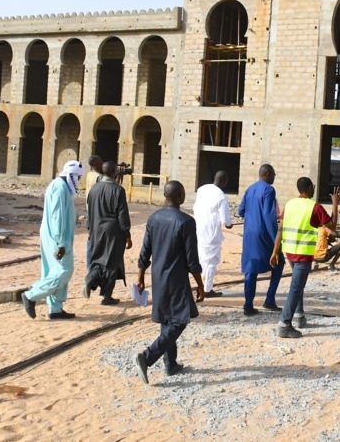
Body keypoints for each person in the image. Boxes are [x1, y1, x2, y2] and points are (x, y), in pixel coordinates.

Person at [133, 181, 205, 384]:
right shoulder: (186, 222)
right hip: (177, 279)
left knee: (167, 319)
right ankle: (146, 357)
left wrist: (140, 277)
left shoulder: (153, 218)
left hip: (158, 277)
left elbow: (144, 251)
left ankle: (170, 364)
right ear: (181, 195)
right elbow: (192, 260)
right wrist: (199, 284)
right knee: (179, 321)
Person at [271, 179, 340, 338]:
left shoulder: (289, 204)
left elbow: (280, 229)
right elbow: (332, 226)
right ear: (310, 188)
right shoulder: (315, 207)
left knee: (298, 285)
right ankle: (284, 324)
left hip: (289, 251)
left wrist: (275, 252)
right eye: (314, 188)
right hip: (304, 254)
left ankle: (299, 316)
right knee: (296, 288)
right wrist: (335, 203)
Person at [22, 160, 85, 320]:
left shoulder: (62, 187)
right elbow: (57, 216)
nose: (79, 181)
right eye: (78, 177)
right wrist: (61, 243)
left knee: (54, 271)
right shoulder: (59, 187)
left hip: (59, 237)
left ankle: (55, 309)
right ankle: (31, 294)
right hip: (57, 237)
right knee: (64, 270)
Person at [83, 161, 132, 305]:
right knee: (112, 261)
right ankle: (106, 295)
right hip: (113, 231)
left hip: (96, 229)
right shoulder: (118, 190)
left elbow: (90, 212)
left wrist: (90, 230)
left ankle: (91, 279)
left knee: (98, 258)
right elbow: (122, 215)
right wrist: (127, 234)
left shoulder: (94, 189)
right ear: (114, 172)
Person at [237, 164, 283, 315]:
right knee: (279, 261)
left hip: (249, 234)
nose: (275, 177)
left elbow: (241, 211)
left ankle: (248, 305)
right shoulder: (269, 190)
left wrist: (252, 216)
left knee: (251, 269)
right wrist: (276, 239)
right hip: (262, 234)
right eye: (274, 174)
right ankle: (269, 299)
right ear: (268, 174)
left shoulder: (250, 189)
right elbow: (269, 216)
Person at [192, 170, 233, 298]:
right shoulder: (221, 196)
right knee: (212, 261)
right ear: (225, 182)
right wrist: (229, 224)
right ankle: (207, 289)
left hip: (198, 228)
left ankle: (199, 285)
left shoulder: (202, 189)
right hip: (211, 233)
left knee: (201, 257)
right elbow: (225, 220)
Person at [84, 155, 103, 267]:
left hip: (89, 208)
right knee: (94, 238)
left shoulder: (89, 174)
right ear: (95, 163)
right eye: (100, 161)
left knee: (91, 236)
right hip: (96, 210)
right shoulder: (98, 177)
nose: (102, 162)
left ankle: (91, 264)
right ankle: (91, 264)